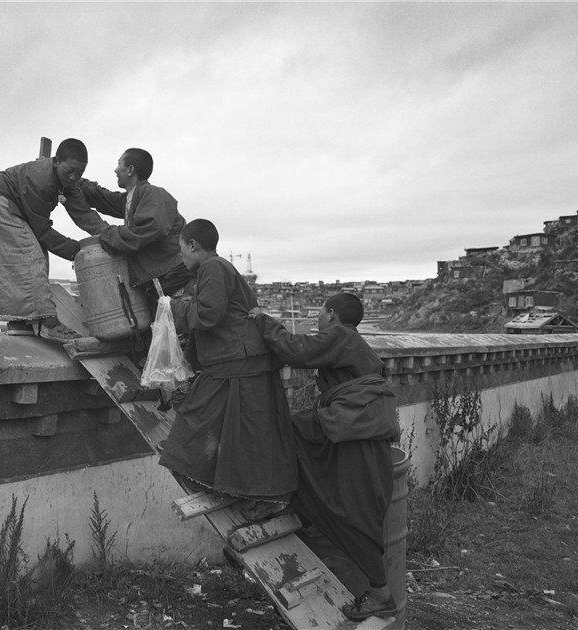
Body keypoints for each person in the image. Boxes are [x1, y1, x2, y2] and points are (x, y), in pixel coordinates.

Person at [250, 293, 401, 621]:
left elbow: (296, 350)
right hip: (356, 426)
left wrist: (262, 319)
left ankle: (380, 593)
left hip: (355, 429)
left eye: (320, 312)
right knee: (353, 501)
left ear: (331, 314)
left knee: (354, 508)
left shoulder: (341, 335)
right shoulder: (352, 341)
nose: (318, 319)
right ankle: (289, 498)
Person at [158, 219, 296, 521]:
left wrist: (173, 307)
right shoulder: (216, 269)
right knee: (247, 432)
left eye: (182, 252)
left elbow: (209, 312)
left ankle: (261, 496)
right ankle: (250, 492)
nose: (182, 259)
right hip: (240, 361)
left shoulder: (213, 268)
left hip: (239, 361)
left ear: (193, 245)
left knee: (220, 422)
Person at [0, 138, 103, 342]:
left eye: (79, 172)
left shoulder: (66, 180)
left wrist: (109, 236)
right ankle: (48, 323)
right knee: (30, 258)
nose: (74, 177)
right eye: (70, 170)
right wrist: (78, 251)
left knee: (34, 256)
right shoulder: (40, 181)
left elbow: (83, 214)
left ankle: (21, 322)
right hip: (0, 202)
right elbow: (43, 231)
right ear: (57, 161)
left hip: (16, 206)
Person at [78, 148, 193, 312]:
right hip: (162, 276)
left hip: (174, 274)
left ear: (130, 169)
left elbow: (149, 230)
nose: (115, 170)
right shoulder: (131, 199)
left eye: (119, 164)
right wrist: (75, 182)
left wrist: (106, 233)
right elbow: (103, 198)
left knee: (174, 330)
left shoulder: (153, 194)